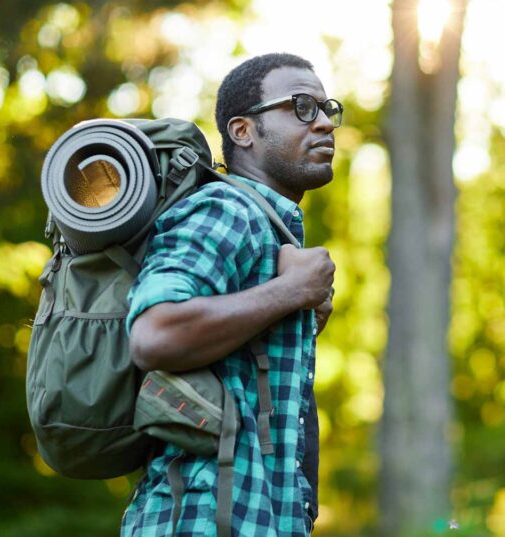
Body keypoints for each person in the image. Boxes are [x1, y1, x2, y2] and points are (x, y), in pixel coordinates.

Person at [121, 52, 340, 536]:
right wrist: (291, 292)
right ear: (243, 131)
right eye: (302, 106)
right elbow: (155, 333)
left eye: (328, 109)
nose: (324, 123)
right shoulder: (227, 207)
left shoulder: (267, 228)